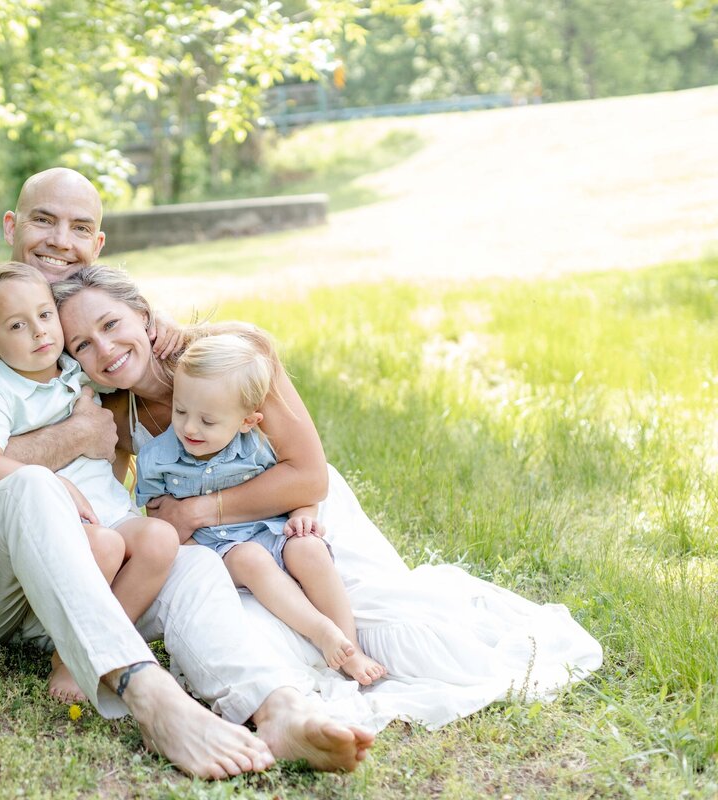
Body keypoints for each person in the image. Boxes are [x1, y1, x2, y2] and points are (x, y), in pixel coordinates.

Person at [0, 166, 375, 780]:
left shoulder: (73, 335)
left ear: (97, 246)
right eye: (44, 220)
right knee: (34, 485)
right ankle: (150, 695)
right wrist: (78, 435)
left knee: (185, 557)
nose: (60, 241)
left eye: (80, 228)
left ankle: (275, 708)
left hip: (69, 573)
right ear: (12, 226)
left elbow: (126, 333)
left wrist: (171, 327)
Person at [54, 264, 603, 730]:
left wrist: (198, 511)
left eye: (111, 324)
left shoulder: (231, 358)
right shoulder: (118, 415)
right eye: (82, 343)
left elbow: (308, 477)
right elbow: (140, 508)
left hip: (299, 520)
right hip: (232, 554)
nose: (104, 347)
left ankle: (353, 649)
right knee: (263, 646)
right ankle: (308, 686)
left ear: (144, 316)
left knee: (392, 633)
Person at [0, 260, 179, 703]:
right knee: (106, 546)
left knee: (160, 539)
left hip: (110, 507)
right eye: (17, 326)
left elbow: (117, 333)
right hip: (62, 520)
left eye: (45, 316)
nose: (40, 332)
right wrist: (58, 484)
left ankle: (111, 640)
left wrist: (165, 324)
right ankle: (69, 659)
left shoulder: (71, 364)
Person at [135, 332, 387, 686]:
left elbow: (299, 492)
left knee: (310, 550)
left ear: (247, 422)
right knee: (250, 558)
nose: (189, 427)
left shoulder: (256, 448)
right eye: (180, 411)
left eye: (207, 421)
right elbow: (158, 522)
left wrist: (304, 516)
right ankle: (320, 630)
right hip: (218, 550)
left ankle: (350, 647)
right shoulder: (156, 459)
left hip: (268, 529)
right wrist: (193, 556)